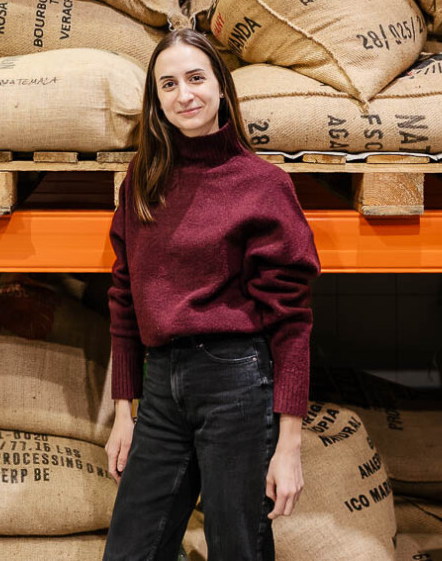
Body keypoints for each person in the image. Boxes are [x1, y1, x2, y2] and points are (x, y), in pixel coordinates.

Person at [102, 28, 321, 561]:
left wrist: (289, 445)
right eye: (169, 84)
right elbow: (125, 297)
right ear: (156, 100)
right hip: (161, 387)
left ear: (222, 86)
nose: (185, 95)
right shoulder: (143, 180)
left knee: (237, 550)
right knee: (130, 550)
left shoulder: (262, 184)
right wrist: (123, 411)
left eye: (196, 78)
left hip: (235, 384)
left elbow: (291, 321)